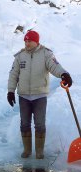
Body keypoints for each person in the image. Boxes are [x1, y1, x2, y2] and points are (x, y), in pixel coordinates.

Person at [7, 30, 72, 159]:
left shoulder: (46, 54)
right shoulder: (20, 56)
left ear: (36, 41)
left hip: (40, 96)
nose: (27, 43)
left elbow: (54, 67)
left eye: (29, 41)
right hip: (24, 96)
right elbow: (13, 74)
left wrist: (64, 74)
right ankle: (27, 150)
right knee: (24, 124)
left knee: (40, 124)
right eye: (25, 41)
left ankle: (39, 151)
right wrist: (10, 91)